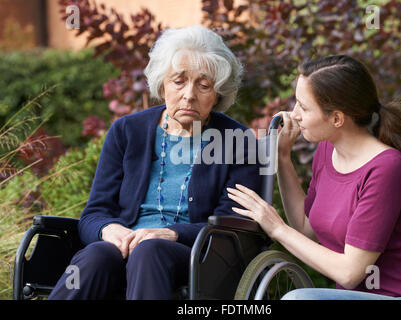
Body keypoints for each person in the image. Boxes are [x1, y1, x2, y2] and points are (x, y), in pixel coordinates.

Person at [48, 25, 261, 300]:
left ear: (218, 93)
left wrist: (172, 234)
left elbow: (232, 225)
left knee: (150, 251)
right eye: (178, 81)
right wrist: (108, 229)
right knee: (97, 254)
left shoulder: (237, 140)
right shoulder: (126, 131)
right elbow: (94, 213)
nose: (189, 94)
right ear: (162, 83)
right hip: (124, 247)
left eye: (204, 85)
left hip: (197, 257)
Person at [227, 55, 401, 300]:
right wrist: (282, 157)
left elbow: (349, 273)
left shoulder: (387, 169)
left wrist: (276, 228)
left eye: (304, 107)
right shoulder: (327, 151)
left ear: (337, 118)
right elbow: (304, 226)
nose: (294, 114)